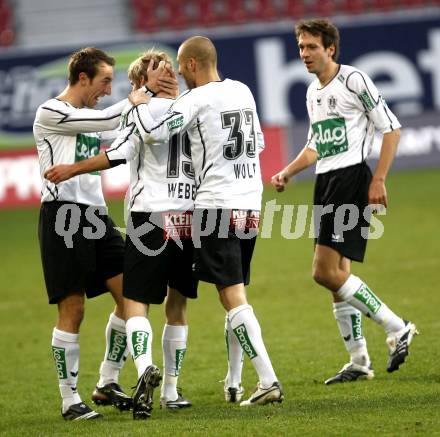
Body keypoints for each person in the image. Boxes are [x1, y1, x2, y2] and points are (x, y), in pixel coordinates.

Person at [127, 36, 283, 406]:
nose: (178, 73)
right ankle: (233, 381)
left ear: (193, 64)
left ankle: (267, 379)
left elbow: (153, 133)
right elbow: (258, 143)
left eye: (181, 66)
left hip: (217, 205)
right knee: (236, 292)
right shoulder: (243, 90)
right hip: (251, 202)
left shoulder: (194, 99)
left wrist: (140, 101)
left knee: (233, 297)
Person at [44, 50, 196, 419]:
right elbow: (114, 117)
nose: (108, 89)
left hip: (97, 217)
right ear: (83, 78)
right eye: (104, 81)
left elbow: (125, 131)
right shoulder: (51, 112)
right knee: (74, 308)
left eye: (114, 81)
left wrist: (149, 96)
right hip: (63, 215)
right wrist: (141, 91)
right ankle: (69, 400)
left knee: (131, 295)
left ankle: (107, 380)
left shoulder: (101, 117)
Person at [271, 19, 418, 385]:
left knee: (323, 272)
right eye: (301, 47)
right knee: (338, 277)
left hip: (351, 178)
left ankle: (397, 327)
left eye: (311, 47)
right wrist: (288, 172)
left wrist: (379, 179)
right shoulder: (312, 92)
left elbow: (391, 129)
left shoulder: (354, 80)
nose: (304, 54)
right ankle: (359, 360)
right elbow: (316, 145)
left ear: (330, 49)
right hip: (327, 181)